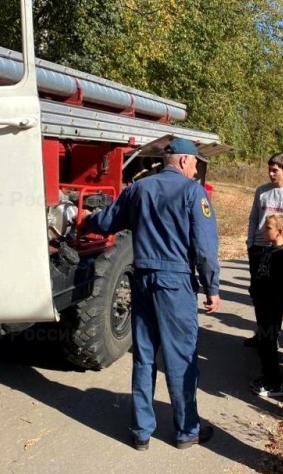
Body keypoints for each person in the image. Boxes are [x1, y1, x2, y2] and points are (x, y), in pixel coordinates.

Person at [83, 137, 221, 451]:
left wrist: (84, 220)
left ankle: (141, 431)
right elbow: (205, 249)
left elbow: (107, 221)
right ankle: (187, 430)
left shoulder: (139, 189)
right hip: (175, 283)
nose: (197, 168)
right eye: (196, 162)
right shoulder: (192, 192)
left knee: (145, 356)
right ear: (185, 161)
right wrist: (212, 287)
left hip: (142, 278)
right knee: (180, 357)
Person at [245, 152, 283, 347]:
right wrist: (250, 243)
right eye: (269, 170)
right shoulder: (262, 190)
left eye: (275, 170)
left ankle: (272, 334)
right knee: (258, 294)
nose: (271, 174)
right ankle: (261, 332)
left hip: (280, 251)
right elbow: (254, 217)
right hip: (259, 248)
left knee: (277, 298)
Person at [249, 214, 283, 397]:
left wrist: (269, 304)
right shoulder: (269, 250)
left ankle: (275, 383)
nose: (262, 230)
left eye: (268, 228)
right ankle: (267, 375)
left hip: (271, 309)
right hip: (262, 306)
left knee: (268, 344)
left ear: (280, 231)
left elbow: (281, 289)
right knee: (263, 343)